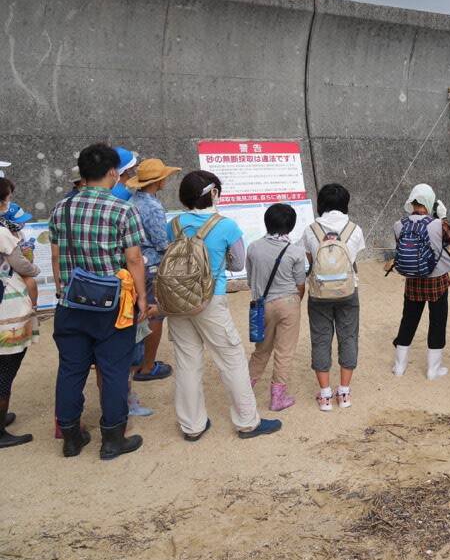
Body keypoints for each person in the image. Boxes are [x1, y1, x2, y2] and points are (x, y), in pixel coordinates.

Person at [50, 143, 148, 460]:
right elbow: (134, 260)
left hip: (71, 303)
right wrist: (142, 298)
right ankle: (112, 439)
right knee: (114, 370)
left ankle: (70, 437)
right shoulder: (123, 210)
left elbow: (55, 256)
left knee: (70, 370)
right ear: (112, 173)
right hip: (112, 305)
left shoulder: (60, 209)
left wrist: (62, 290)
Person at [168, 170, 280, 440]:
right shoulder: (226, 226)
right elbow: (238, 263)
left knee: (186, 362)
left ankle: (192, 426)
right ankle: (247, 421)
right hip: (210, 298)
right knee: (231, 360)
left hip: (177, 300)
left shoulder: (174, 224)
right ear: (213, 193)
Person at [301, 183, 367, 411]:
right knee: (348, 337)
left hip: (318, 293)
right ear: (345, 203)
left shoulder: (311, 229)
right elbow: (353, 258)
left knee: (320, 339)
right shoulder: (355, 229)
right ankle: (345, 393)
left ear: (321, 204)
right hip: (348, 292)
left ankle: (326, 395)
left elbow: (310, 260)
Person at [390, 184, 450, 381]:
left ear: (412, 202)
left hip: (412, 281)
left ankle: (399, 367)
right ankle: (433, 369)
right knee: (437, 322)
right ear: (430, 202)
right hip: (437, 281)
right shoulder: (438, 224)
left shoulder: (399, 224)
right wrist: (443, 217)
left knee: (408, 321)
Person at [246, 203, 308, 411]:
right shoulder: (296, 251)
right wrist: (295, 302)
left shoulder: (253, 247)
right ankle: (277, 397)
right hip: (289, 302)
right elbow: (300, 283)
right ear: (290, 226)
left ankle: (244, 392)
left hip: (261, 304)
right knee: (284, 351)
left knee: (261, 350)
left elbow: (250, 279)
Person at [128, 158, 180, 385]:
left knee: (137, 313)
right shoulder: (152, 207)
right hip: (151, 266)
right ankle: (147, 365)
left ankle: (136, 359)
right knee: (154, 314)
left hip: (135, 263)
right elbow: (161, 241)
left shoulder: (132, 201)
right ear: (158, 180)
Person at [0, 177, 40, 447]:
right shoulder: (2, 231)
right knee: (6, 370)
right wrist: (34, 271)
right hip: (7, 307)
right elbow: (21, 264)